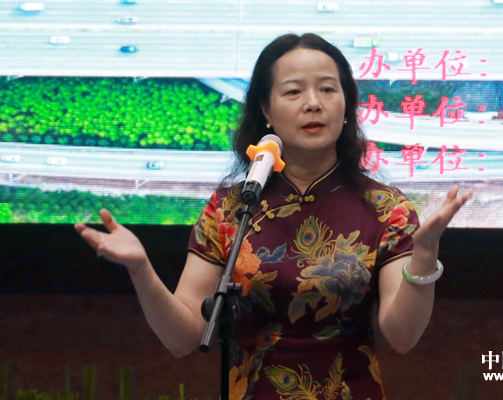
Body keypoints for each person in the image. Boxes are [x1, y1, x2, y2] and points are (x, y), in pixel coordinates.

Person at [75, 33, 472, 399]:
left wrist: (424, 256)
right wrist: (141, 269)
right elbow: (183, 338)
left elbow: (402, 337)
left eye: (327, 89)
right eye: (294, 91)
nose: (313, 103)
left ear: (346, 106)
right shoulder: (231, 208)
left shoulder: (387, 208)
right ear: (266, 109)